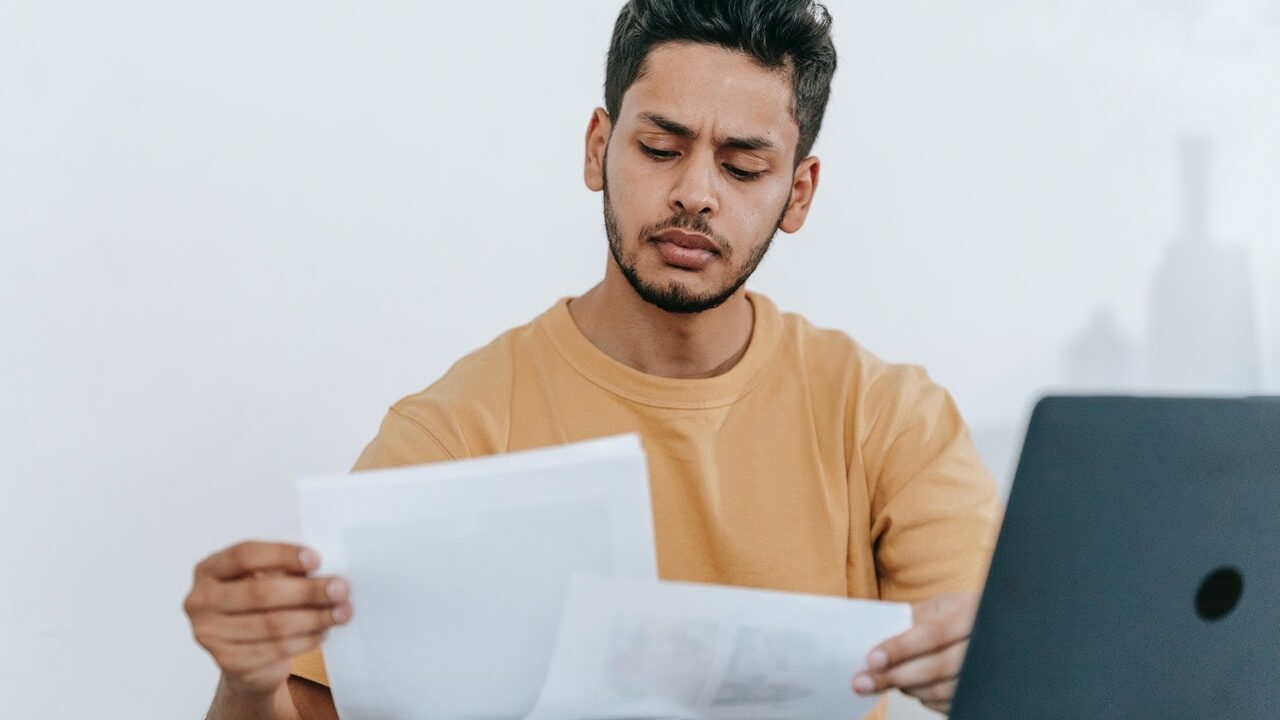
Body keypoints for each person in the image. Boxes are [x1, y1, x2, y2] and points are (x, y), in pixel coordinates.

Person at [182, 1, 1001, 718]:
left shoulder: (887, 417)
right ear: (597, 148)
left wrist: (999, 667)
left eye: (743, 165)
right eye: (659, 148)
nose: (696, 193)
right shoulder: (455, 433)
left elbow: (1020, 676)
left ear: (798, 193)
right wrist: (248, 685)